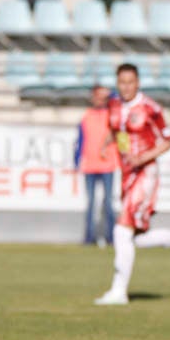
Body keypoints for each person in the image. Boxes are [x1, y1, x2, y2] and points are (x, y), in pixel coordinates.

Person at [93, 63, 170, 306]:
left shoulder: (150, 108)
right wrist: (106, 145)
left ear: (137, 82)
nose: (126, 86)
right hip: (128, 174)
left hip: (145, 174)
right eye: (122, 82)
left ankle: (119, 291)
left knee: (121, 230)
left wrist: (144, 157)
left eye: (130, 81)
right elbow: (117, 129)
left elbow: (168, 141)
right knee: (134, 237)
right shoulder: (115, 104)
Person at [74, 85, 118, 246]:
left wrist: (109, 94)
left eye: (102, 96)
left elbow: (118, 98)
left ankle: (111, 237)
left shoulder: (112, 114)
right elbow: (79, 140)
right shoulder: (87, 116)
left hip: (107, 165)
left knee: (108, 203)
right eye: (96, 96)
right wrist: (77, 161)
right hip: (90, 166)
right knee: (91, 203)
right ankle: (89, 237)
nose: (99, 99)